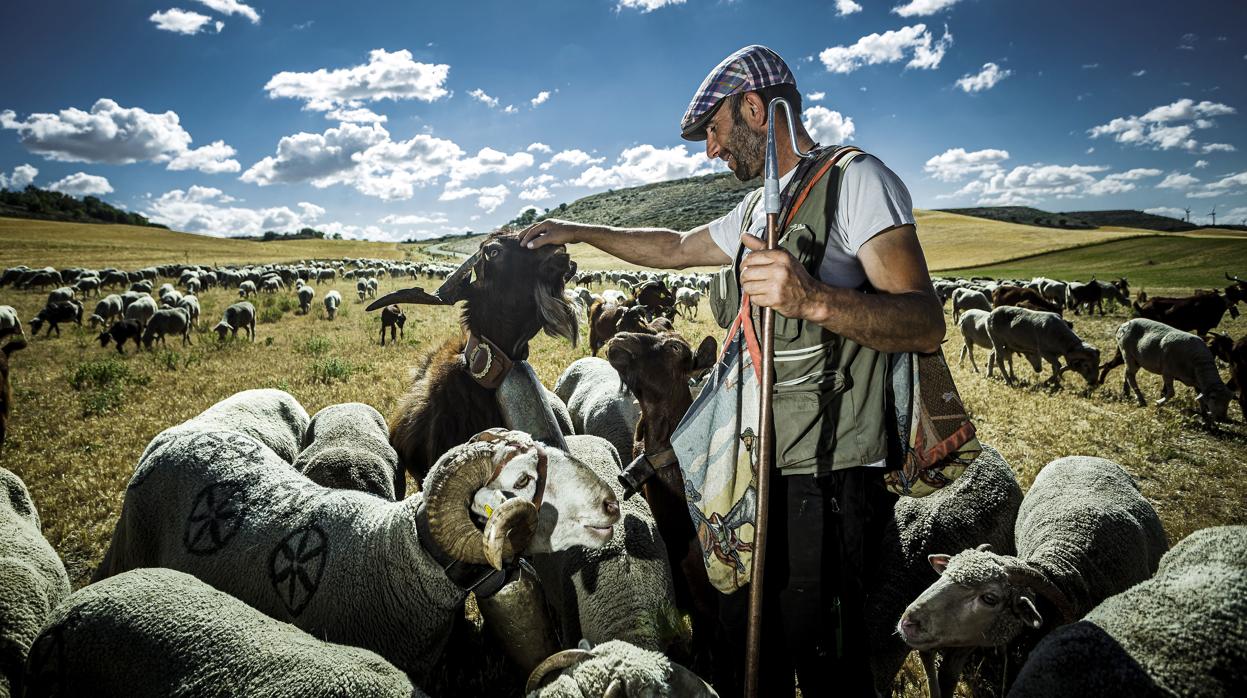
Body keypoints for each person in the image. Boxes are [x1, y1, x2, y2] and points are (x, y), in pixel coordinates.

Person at [521, 45, 944, 697]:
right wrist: (574, 229)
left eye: (714, 131)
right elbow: (672, 248)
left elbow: (923, 321)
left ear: (754, 106)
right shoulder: (755, 212)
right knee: (751, 646)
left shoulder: (856, 181)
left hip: (828, 482)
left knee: (828, 661)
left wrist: (815, 300)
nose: (710, 151)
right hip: (749, 472)